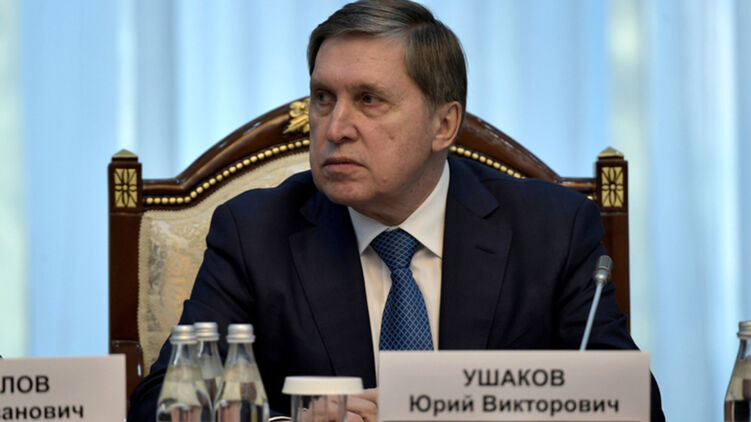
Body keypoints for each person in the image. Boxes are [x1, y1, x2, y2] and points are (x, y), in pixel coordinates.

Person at [128, 1, 664, 421]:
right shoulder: (255, 232)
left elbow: (634, 405)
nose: (335, 127)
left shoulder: (550, 230)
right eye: (323, 98)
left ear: (443, 125)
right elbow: (159, 405)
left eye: (369, 100)